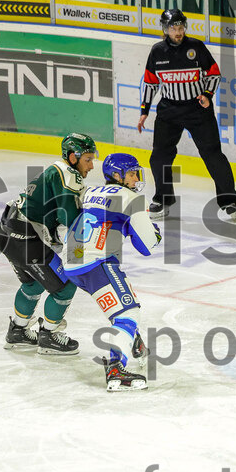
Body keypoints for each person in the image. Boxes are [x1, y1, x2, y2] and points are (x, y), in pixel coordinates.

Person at [65, 153, 162, 391]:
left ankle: (134, 341)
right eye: (131, 173)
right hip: (98, 262)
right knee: (128, 313)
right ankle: (116, 366)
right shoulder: (130, 198)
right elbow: (147, 246)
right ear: (116, 175)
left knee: (120, 305)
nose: (135, 178)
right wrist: (155, 232)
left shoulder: (89, 191)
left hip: (73, 261)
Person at [0, 133, 96, 355]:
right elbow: (71, 219)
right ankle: (49, 336)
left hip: (7, 235)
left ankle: (18, 332)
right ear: (72, 157)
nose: (91, 166)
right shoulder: (68, 175)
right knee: (65, 286)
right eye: (88, 159)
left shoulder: (56, 171)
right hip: (26, 241)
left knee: (33, 283)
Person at [136, 8, 236, 221]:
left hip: (197, 109)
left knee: (213, 155)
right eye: (174, 28)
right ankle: (162, 199)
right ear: (165, 29)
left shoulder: (196, 47)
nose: (178, 31)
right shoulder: (157, 52)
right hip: (169, 110)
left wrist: (207, 94)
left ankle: (229, 201)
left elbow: (213, 73)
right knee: (159, 157)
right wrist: (144, 111)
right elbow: (150, 82)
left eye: (181, 27)